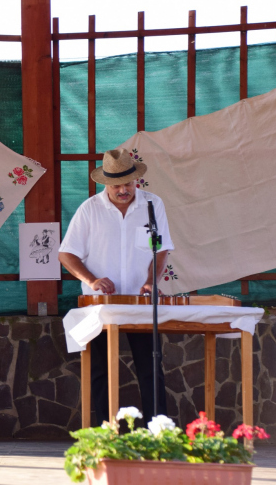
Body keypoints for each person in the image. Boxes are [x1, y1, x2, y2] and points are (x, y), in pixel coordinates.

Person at [58, 147, 173, 426]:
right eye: (117, 185)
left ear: (136, 180)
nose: (123, 190)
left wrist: (150, 281)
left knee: (150, 367)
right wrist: (91, 280)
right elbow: (66, 254)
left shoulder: (152, 205)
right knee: (101, 369)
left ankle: (157, 433)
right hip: (100, 305)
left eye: (128, 183)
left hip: (140, 301)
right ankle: (104, 433)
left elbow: (160, 249)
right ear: (105, 184)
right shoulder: (89, 209)